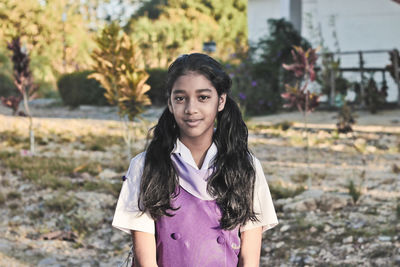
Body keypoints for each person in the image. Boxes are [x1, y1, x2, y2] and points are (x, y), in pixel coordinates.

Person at [112, 53, 278, 267]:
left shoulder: (245, 166)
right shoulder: (146, 166)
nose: (191, 109)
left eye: (203, 97)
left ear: (221, 101)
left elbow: (249, 260)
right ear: (170, 104)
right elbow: (146, 262)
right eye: (180, 98)